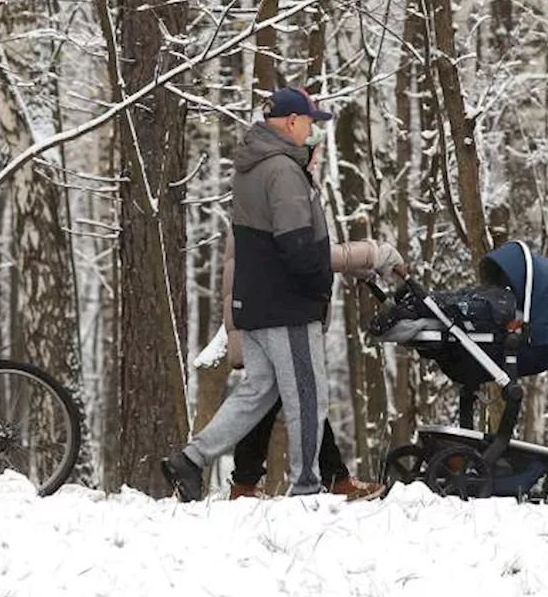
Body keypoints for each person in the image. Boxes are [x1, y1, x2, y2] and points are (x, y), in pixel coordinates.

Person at [162, 87, 402, 501]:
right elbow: (297, 247)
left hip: (256, 304)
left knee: (258, 392)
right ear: (292, 122)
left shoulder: (251, 166)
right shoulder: (283, 171)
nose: (313, 132)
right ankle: (307, 487)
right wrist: (325, 278)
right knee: (308, 398)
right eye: (310, 123)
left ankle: (191, 459)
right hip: (286, 306)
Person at [221, 232, 397, 501]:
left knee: (286, 398)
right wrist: (372, 254)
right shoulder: (273, 209)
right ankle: (332, 477)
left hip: (272, 319)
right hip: (277, 322)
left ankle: (246, 481)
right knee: (302, 396)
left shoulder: (262, 210)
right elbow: (308, 256)